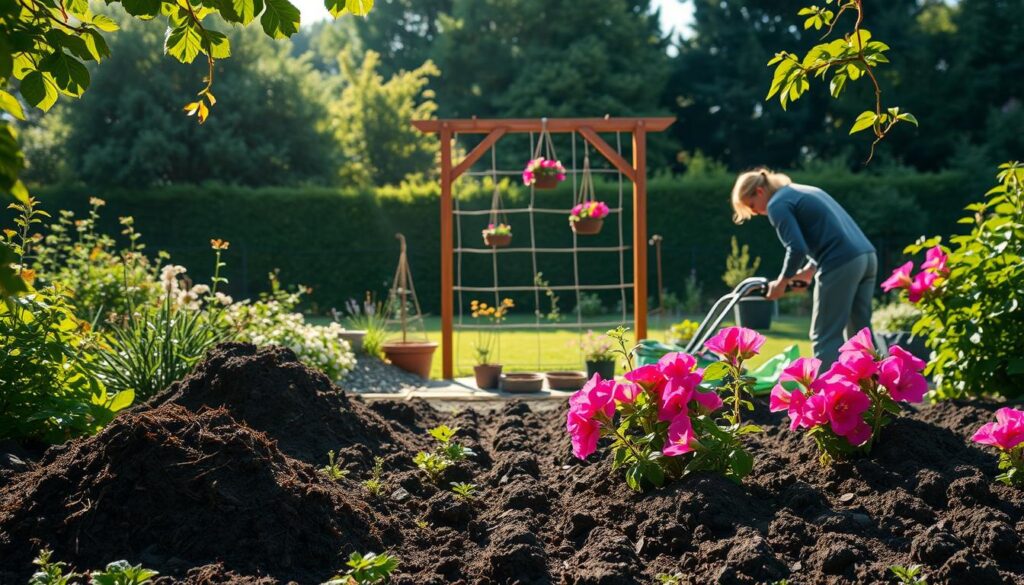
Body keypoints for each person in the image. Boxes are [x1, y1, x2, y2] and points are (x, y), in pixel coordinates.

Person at [730, 168, 877, 368]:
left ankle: (832, 396)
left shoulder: (777, 204)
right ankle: (881, 391)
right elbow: (830, 234)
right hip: (866, 257)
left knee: (825, 336)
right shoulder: (802, 190)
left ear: (759, 191)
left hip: (840, 263)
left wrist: (781, 282)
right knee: (861, 335)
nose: (756, 213)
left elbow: (797, 248)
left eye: (752, 206)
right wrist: (809, 271)